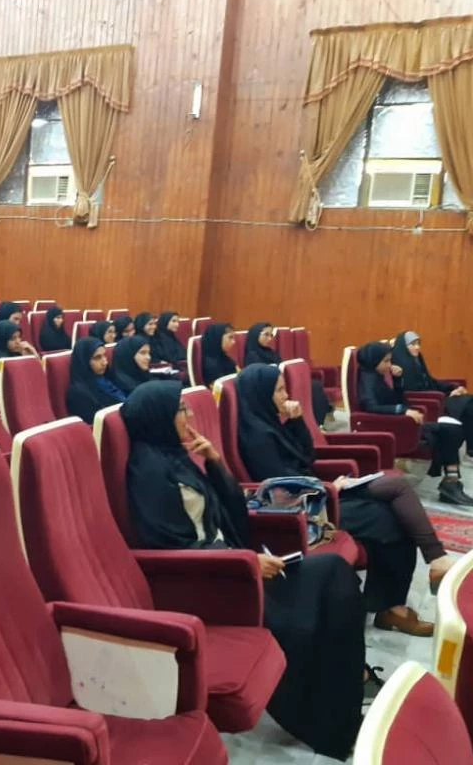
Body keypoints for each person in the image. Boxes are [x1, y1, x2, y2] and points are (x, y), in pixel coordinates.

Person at [122, 380, 365, 761]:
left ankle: (344, 708)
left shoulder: (176, 456)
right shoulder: (148, 472)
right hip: (210, 581)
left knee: (335, 573)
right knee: (300, 620)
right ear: (158, 418)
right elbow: (169, 546)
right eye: (181, 410)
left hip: (233, 562)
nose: (189, 416)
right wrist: (243, 562)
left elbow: (233, 511)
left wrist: (215, 462)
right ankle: (326, 727)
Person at [235, 363, 448, 632]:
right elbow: (283, 488)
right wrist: (328, 488)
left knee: (393, 509)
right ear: (261, 394)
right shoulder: (257, 437)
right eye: (279, 390)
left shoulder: (271, 423)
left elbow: (306, 458)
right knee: (388, 520)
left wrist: (297, 421)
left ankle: (393, 606)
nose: (286, 395)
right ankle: (392, 608)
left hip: (320, 496)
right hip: (304, 511)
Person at [357, 341, 471, 506]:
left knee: (453, 430)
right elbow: (370, 406)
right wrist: (402, 411)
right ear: (374, 360)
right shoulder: (367, 379)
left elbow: (398, 399)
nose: (390, 365)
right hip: (391, 428)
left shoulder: (377, 376)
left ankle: (451, 482)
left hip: (398, 424)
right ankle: (450, 484)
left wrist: (397, 380)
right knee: (451, 431)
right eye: (386, 361)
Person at [392, 330, 473, 453]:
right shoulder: (400, 364)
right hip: (428, 402)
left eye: (418, 343)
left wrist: (452, 388)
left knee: (469, 404)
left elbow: (431, 381)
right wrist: (446, 395)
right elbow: (411, 391)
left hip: (436, 396)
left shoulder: (417, 359)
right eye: (412, 344)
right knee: (469, 406)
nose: (417, 347)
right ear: (404, 346)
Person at [244, 322, 332, 424]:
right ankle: (316, 421)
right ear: (255, 335)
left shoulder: (270, 351)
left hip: (280, 382)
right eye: (266, 335)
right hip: (270, 387)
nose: (269, 338)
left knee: (313, 386)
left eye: (271, 335)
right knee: (313, 386)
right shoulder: (252, 355)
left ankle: (316, 421)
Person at [66, 337, 126, 424]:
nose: (105, 362)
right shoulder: (78, 393)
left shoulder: (107, 379)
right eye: (97, 357)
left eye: (104, 355)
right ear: (84, 360)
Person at [0, 321, 37, 389]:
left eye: (19, 337)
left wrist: (32, 354)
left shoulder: (16, 352)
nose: (18, 341)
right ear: (3, 339)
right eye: (13, 338)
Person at [201, 322, 238, 387]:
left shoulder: (224, 357)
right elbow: (218, 390)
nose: (234, 342)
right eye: (230, 337)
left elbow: (240, 374)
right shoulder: (210, 365)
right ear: (218, 338)